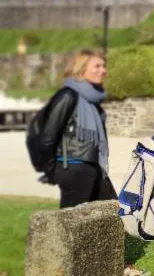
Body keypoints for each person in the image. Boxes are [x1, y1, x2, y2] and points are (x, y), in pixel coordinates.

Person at [35, 50, 116, 208]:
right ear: (81, 68)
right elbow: (47, 138)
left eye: (104, 66)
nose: (103, 70)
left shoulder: (93, 99)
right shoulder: (67, 96)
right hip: (73, 167)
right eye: (97, 66)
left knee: (111, 212)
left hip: (94, 166)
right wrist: (53, 170)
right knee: (71, 224)